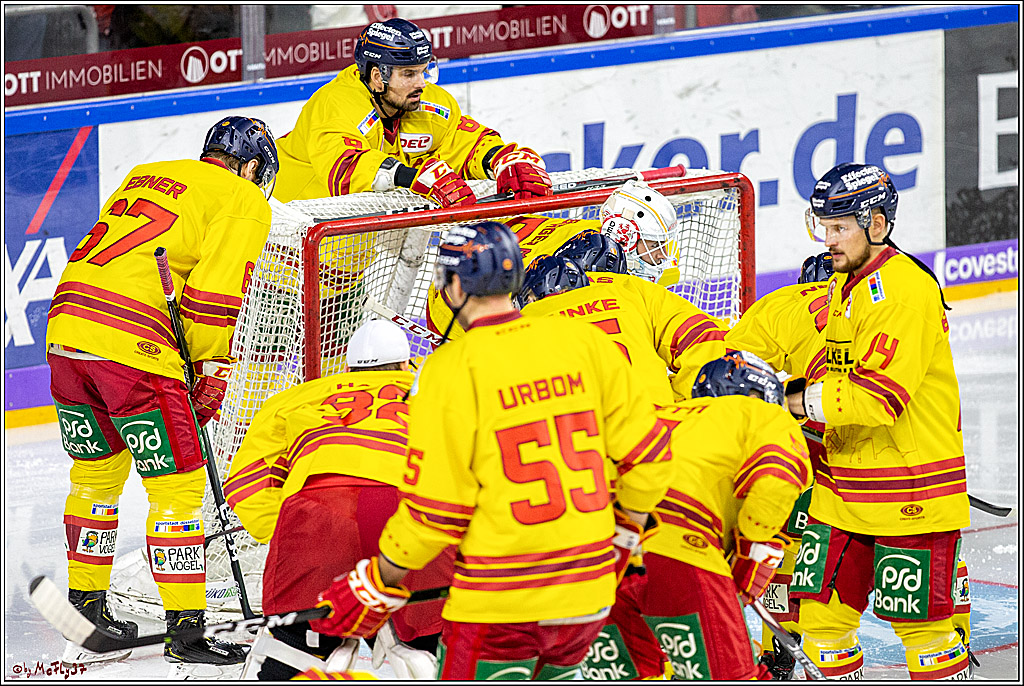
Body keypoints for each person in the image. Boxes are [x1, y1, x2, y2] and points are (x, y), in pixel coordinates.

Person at [307, 221, 673, 680]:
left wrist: (379, 580)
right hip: (589, 595)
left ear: (454, 286)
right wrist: (622, 538)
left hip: (501, 601)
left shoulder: (448, 370)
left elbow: (435, 510)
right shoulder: (586, 345)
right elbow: (651, 454)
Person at [45, 115, 278, 666]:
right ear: (250, 167)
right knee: (176, 491)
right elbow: (214, 295)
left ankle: (86, 612)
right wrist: (209, 369)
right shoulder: (243, 197)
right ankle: (187, 634)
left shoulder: (149, 173)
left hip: (66, 331)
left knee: (96, 478)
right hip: (132, 348)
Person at [786, 163, 972, 679]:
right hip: (844, 495)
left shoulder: (905, 290)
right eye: (824, 227)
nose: (829, 239)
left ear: (878, 225)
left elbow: (877, 396)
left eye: (840, 227)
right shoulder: (843, 285)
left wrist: (793, 400)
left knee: (927, 636)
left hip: (910, 492)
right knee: (820, 623)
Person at [224, 319, 451, 680]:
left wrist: (284, 537)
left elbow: (247, 482)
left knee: (293, 648)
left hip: (320, 514)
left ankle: (301, 651)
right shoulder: (442, 393)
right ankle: (420, 647)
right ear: (406, 366)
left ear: (347, 369)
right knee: (436, 645)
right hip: (416, 516)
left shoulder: (296, 398)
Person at [634, 351, 811, 681]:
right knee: (733, 676)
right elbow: (779, 477)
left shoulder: (662, 414)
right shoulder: (764, 417)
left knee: (643, 672)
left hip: (599, 561)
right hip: (680, 553)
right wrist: (754, 548)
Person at [273, 17, 550, 205]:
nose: (421, 83)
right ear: (377, 77)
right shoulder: (335, 104)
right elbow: (345, 170)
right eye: (408, 74)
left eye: (423, 71)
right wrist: (411, 177)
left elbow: (462, 140)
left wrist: (501, 159)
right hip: (286, 250)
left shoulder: (425, 102)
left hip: (347, 255)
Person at [425, 179, 685, 342]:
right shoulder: (562, 280)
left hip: (481, 263)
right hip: (452, 315)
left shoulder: (596, 233)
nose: (661, 256)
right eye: (654, 246)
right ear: (625, 237)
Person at [517, 244, 728, 401]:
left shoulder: (518, 325)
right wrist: (677, 400)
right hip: (661, 429)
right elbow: (709, 336)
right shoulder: (631, 288)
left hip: (585, 445)